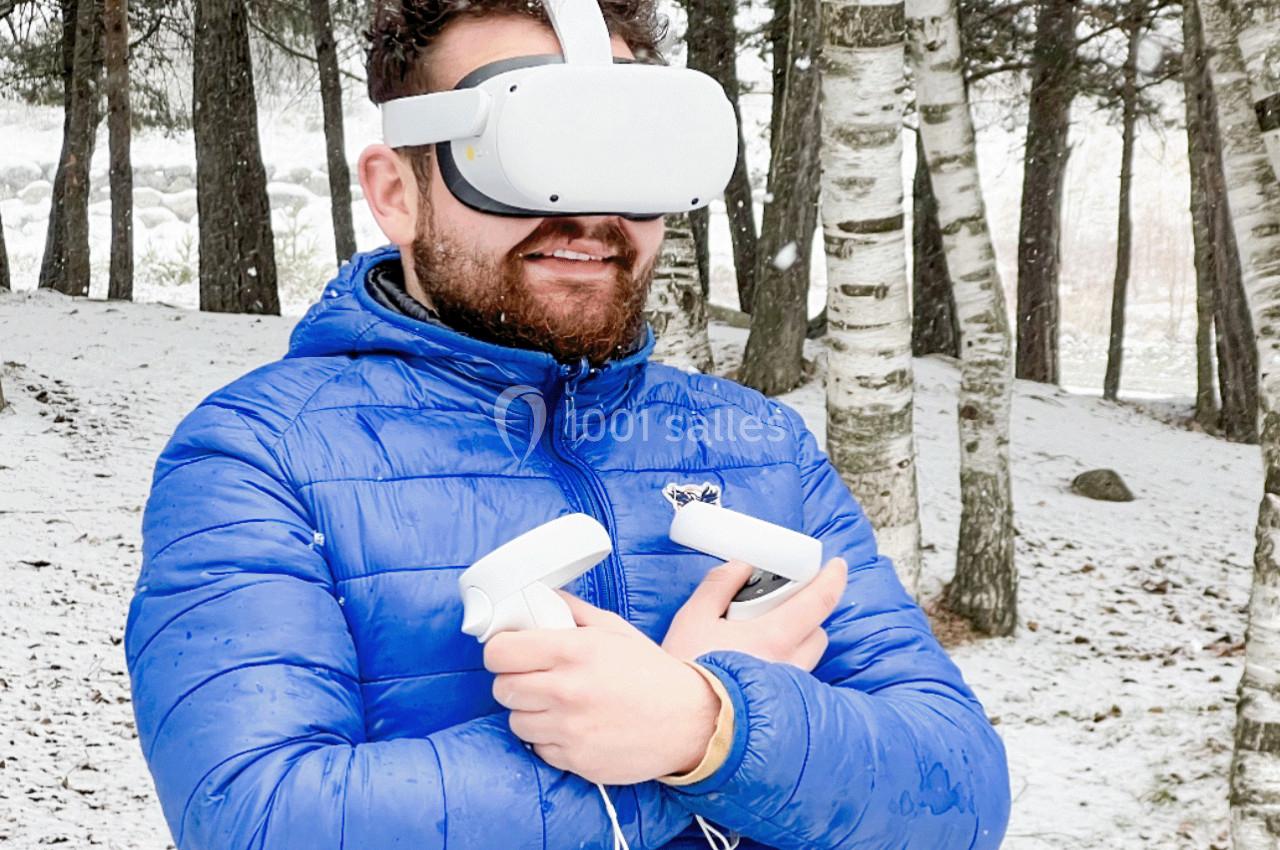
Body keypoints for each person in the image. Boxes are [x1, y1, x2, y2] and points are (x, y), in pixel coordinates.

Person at [124, 1, 1011, 847]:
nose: (592, 213)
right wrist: (661, 751)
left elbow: (960, 795)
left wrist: (711, 725)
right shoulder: (258, 454)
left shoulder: (761, 445)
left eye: (630, 155)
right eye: (531, 149)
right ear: (396, 190)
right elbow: (257, 821)